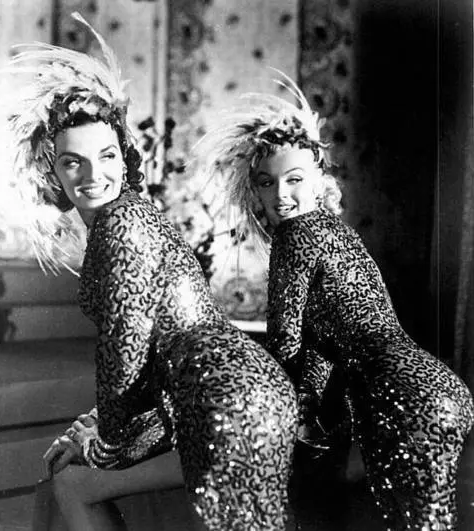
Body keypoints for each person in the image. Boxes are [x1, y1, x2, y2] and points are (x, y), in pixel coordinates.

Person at [0, 14, 299, 531]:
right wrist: (106, 425)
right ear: (52, 171)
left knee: (71, 482)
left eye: (106, 156)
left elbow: (124, 348)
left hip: (224, 407)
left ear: (125, 159)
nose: (93, 174)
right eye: (73, 162)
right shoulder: (133, 217)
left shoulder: (121, 224)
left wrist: (105, 442)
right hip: (239, 396)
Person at [194, 72, 474, 530]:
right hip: (440, 385)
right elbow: (326, 341)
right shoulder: (338, 232)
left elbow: (286, 342)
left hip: (401, 393)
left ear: (319, 178)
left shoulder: (295, 237)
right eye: (266, 183)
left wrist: (280, 406)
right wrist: (310, 399)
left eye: (294, 179)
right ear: (255, 189)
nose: (281, 195)